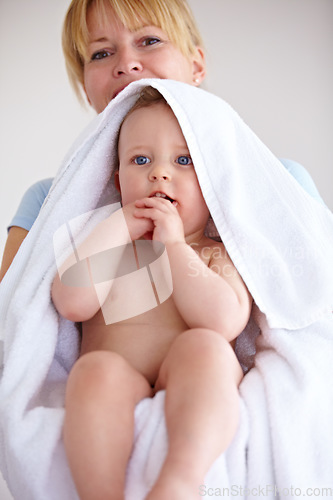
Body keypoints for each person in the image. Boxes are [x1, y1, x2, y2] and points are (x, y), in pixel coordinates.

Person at [0, 0, 324, 282]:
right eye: (101, 52)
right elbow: (13, 321)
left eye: (150, 40)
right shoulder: (47, 202)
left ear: (196, 65)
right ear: (85, 87)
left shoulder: (281, 184)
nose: (126, 63)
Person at [51, 86, 253, 500]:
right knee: (93, 373)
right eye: (140, 160)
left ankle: (179, 480)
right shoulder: (108, 243)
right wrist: (119, 228)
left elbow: (224, 321)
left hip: (189, 374)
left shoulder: (214, 252)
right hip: (117, 375)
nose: (159, 173)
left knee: (208, 349)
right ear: (117, 179)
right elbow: (72, 301)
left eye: (183, 160)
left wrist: (175, 247)